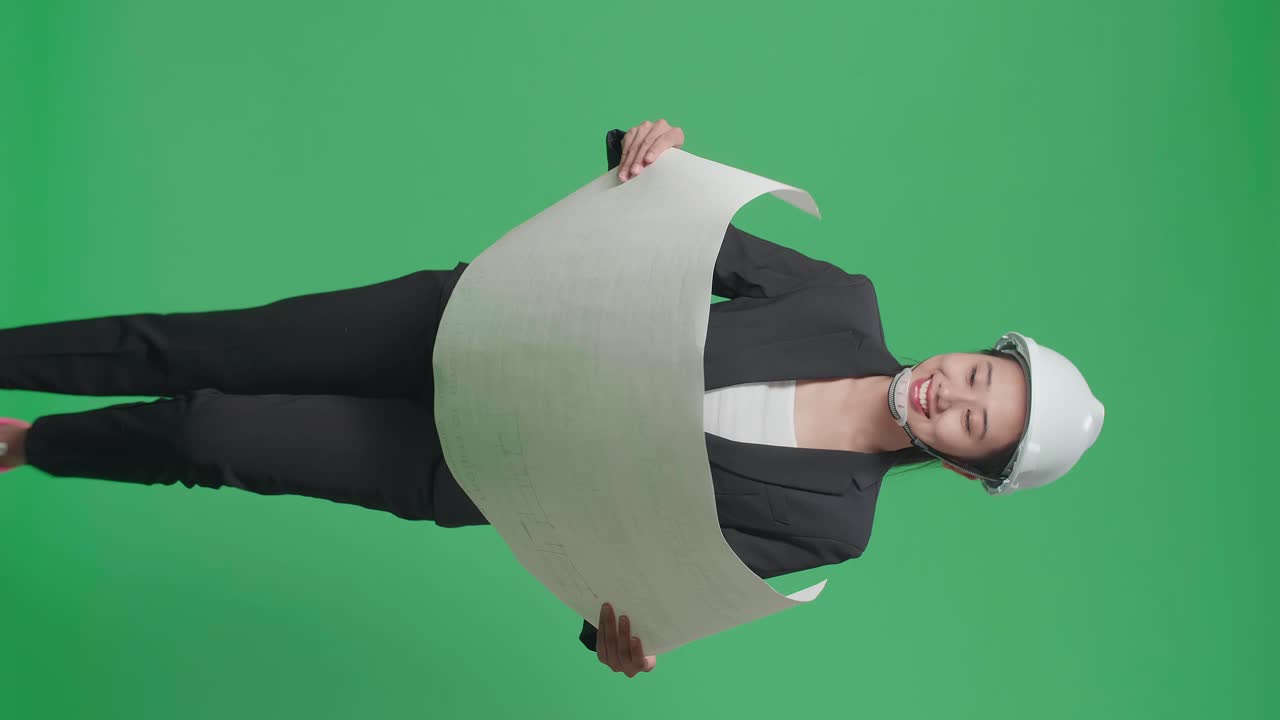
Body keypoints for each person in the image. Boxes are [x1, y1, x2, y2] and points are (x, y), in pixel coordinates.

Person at [0, 119, 1105, 680]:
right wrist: (648, 147)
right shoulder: (837, 303)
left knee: (212, 432)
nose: (952, 390)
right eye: (975, 372)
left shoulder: (832, 525)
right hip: (466, 324)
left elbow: (642, 581)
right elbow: (672, 224)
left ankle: (28, 442)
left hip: (463, 466)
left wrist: (620, 644)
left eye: (973, 419)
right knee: (203, 347)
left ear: (964, 466)